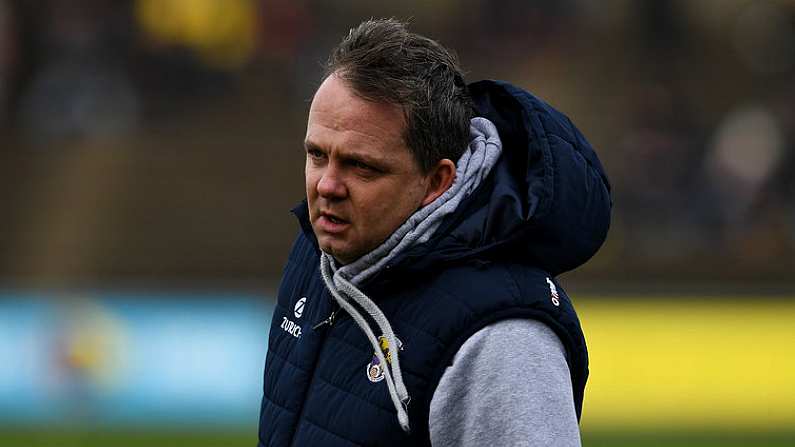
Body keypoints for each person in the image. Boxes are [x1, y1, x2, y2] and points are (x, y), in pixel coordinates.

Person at [258, 18, 611, 447]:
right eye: (317, 155)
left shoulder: (504, 341)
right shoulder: (319, 255)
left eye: (361, 166)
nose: (326, 186)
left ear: (437, 181)